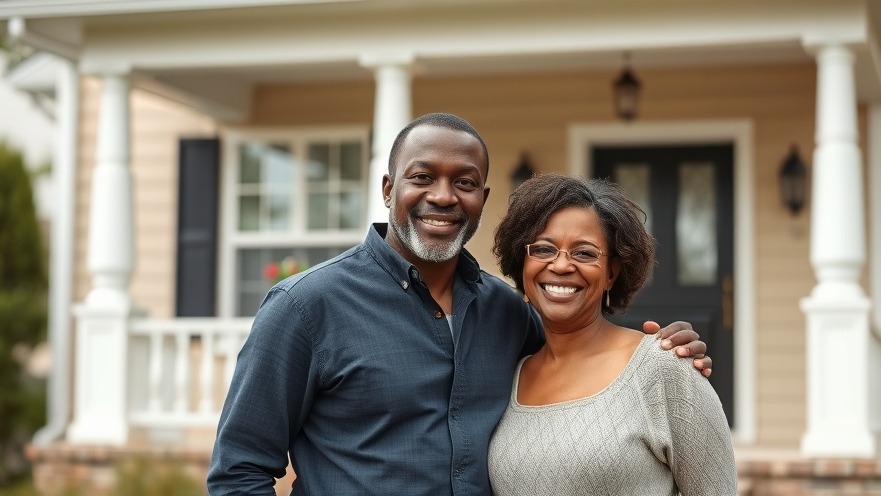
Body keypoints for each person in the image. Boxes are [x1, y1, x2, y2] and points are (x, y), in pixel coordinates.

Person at [207, 113, 712, 495]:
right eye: (422, 177)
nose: (444, 197)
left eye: (464, 183)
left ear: (482, 198)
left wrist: (666, 355)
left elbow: (577, 367)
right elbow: (239, 471)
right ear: (388, 189)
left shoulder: (509, 313)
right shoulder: (304, 309)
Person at [488, 174, 736, 495]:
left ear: (611, 274)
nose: (561, 265)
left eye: (585, 253)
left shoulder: (663, 369)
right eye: (544, 249)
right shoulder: (511, 374)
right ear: (522, 263)